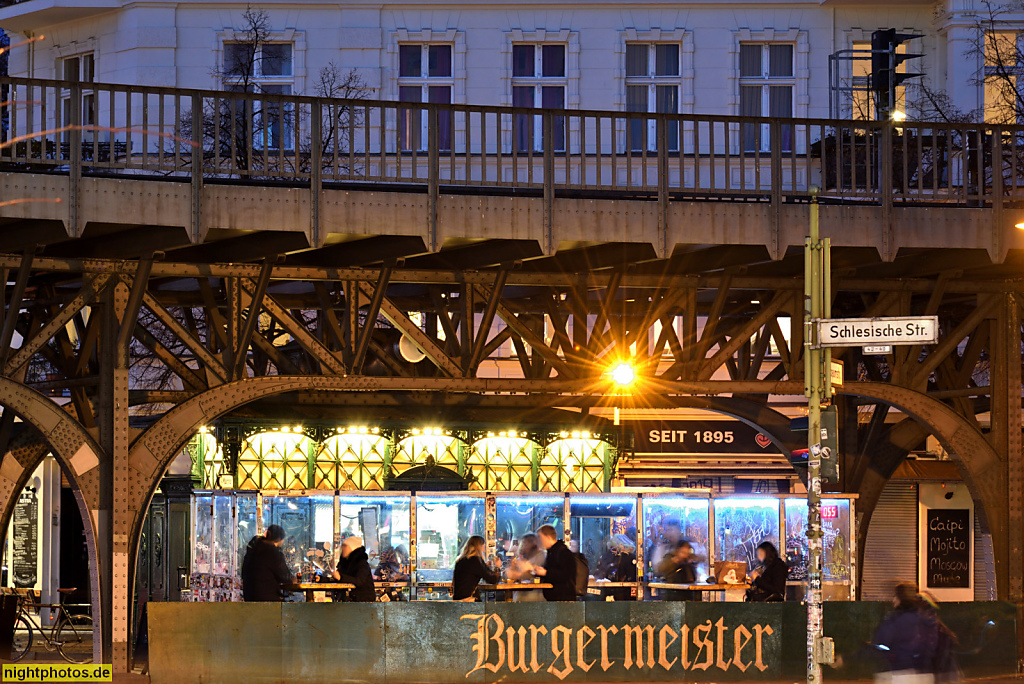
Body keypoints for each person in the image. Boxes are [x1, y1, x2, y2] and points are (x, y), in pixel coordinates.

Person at [874, 582, 940, 682]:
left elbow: (883, 640)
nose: (894, 600)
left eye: (896, 596)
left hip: (903, 672)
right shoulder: (926, 617)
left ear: (901, 599)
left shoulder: (897, 619)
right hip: (926, 673)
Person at [240, 524, 293, 602]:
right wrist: (294, 579)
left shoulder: (253, 548)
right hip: (269, 600)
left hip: (249, 597)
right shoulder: (274, 553)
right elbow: (286, 577)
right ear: (280, 539)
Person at [532, 524, 576, 601]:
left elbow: (566, 575)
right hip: (556, 598)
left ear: (548, 537)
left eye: (540, 537)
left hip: (563, 599)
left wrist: (545, 573)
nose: (538, 541)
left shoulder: (562, 552)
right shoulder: (552, 552)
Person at [451, 535, 500, 601]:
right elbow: (492, 580)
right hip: (468, 600)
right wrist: (497, 567)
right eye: (484, 544)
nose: (485, 546)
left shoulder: (461, 560)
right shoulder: (476, 560)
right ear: (480, 546)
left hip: (457, 599)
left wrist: (485, 566)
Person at [332, 536, 375, 602]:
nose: (342, 549)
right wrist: (322, 579)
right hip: (351, 601)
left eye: (345, 546)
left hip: (363, 601)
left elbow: (359, 580)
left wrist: (341, 577)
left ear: (352, 548)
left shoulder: (361, 563)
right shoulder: (345, 563)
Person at [506, 533, 546, 602]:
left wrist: (519, 574)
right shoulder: (521, 558)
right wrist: (513, 568)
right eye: (523, 543)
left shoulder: (540, 556)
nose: (523, 546)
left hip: (534, 596)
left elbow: (532, 574)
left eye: (526, 543)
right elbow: (509, 575)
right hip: (520, 596)